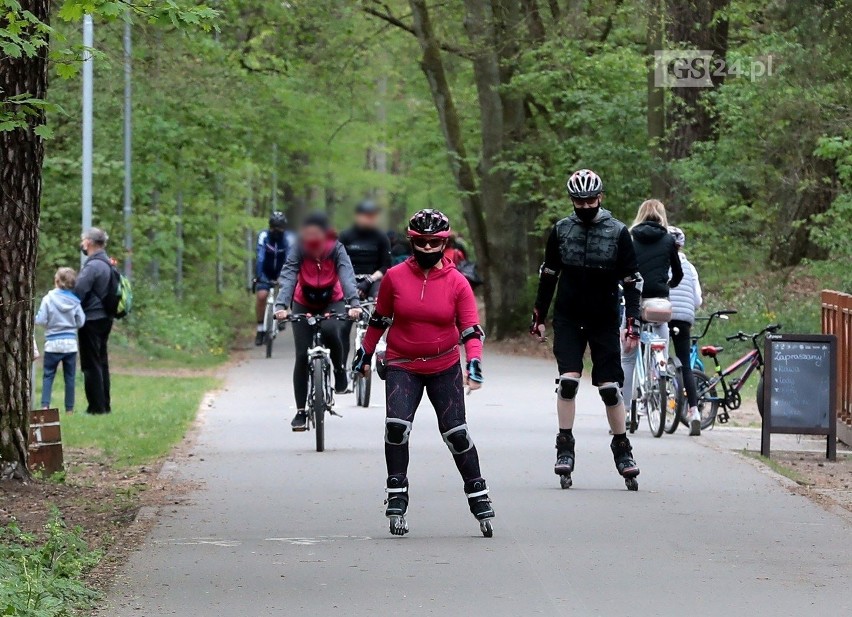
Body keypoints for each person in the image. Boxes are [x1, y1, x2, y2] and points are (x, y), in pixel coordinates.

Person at [352, 209, 494, 537]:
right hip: (403, 362)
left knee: (456, 433)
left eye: (435, 243)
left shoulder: (458, 282)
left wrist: (474, 364)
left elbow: (471, 329)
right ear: (412, 241)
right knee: (396, 428)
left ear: (445, 243)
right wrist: (363, 356)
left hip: (444, 365)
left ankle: (478, 493)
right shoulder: (394, 277)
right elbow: (379, 320)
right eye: (421, 242)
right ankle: (397, 493)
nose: (428, 249)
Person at [529, 169, 644, 490]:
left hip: (604, 317)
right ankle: (564, 446)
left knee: (610, 388)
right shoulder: (561, 231)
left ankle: (622, 448)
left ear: (601, 197)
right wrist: (538, 316)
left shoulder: (619, 232)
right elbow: (549, 274)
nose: (585, 205)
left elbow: (632, 280)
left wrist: (632, 322)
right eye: (579, 201)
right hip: (568, 316)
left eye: (591, 200)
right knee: (568, 382)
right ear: (572, 201)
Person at [274, 213, 362, 431]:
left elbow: (347, 275)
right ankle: (301, 412)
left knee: (333, 331)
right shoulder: (299, 249)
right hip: (303, 301)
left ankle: (340, 371)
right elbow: (289, 275)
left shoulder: (336, 249)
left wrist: (354, 303)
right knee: (302, 355)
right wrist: (280, 306)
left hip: (333, 300)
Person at [620, 199, 683, 425]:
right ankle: (660, 370)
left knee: (627, 357)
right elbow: (678, 273)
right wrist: (668, 284)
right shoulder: (669, 239)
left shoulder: (629, 236)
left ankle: (625, 411)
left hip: (634, 300)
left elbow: (619, 269)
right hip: (658, 300)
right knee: (661, 335)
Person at [339, 200, 392, 367]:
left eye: (372, 217)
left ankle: (381, 342)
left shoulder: (380, 237)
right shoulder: (346, 236)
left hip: (373, 278)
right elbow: (337, 262)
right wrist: (350, 284)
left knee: (380, 303)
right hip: (349, 279)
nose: (368, 220)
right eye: (365, 216)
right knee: (344, 325)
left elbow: (386, 266)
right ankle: (341, 367)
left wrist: (369, 280)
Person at [74, 228, 115, 415]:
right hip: (106, 317)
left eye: (83, 240)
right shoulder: (108, 263)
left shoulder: (92, 266)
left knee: (91, 364)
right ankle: (104, 405)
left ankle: (96, 408)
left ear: (89, 242)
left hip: (91, 319)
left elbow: (79, 291)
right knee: (102, 363)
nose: (82, 244)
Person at [667, 226, 703, 436]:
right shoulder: (690, 268)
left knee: (660, 357)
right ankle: (694, 411)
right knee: (686, 365)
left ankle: (660, 394)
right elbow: (698, 300)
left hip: (662, 314)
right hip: (684, 319)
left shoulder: (662, 263)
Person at [35, 267, 85, 413]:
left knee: (48, 375)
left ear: (56, 281)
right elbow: (81, 321)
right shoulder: (75, 301)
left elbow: (41, 320)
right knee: (70, 378)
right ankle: (69, 409)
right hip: (70, 345)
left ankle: (45, 406)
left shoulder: (48, 299)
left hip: (52, 344)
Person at [254, 211, 292, 346]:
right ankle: (260, 329)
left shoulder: (288, 238)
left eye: (279, 228)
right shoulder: (263, 236)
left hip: (283, 270)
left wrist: (287, 276)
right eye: (273, 227)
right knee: (262, 296)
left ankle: (282, 314)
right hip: (266, 271)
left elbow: (290, 257)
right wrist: (259, 276)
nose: (276, 231)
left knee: (286, 290)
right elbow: (260, 256)